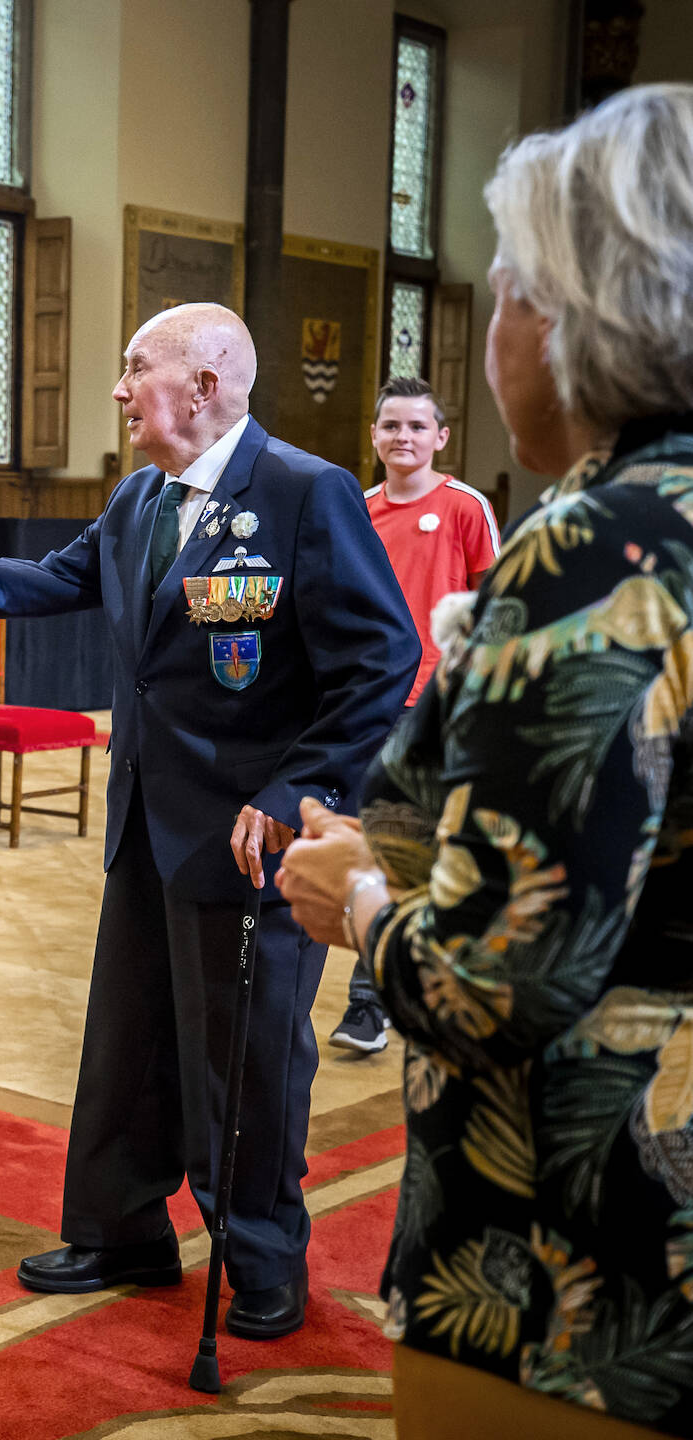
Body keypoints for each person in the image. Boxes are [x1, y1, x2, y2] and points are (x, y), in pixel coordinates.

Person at [0, 303, 417, 1341]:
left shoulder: (306, 495)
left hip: (249, 841)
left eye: (138, 369)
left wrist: (292, 796)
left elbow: (382, 659)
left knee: (247, 1063)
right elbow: (48, 580)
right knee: (128, 1041)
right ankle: (122, 1231)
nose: (122, 390)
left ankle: (263, 1255)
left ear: (208, 385)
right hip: (143, 822)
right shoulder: (140, 499)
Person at [278, 83, 693, 1439]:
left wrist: (352, 903)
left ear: (577, 314)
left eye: (505, 286)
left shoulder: (600, 547)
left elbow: (489, 984)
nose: (493, 324)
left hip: (573, 1279)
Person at [329, 376, 502, 1057]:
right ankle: (375, 999)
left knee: (421, 844)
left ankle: (381, 998)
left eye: (415, 426)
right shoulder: (354, 509)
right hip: (364, 697)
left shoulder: (463, 507)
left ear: (440, 437)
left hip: (435, 704)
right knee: (369, 838)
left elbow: (493, 609)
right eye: (390, 426)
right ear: (373, 436)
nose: (402, 437)